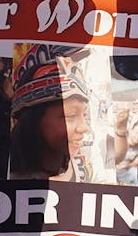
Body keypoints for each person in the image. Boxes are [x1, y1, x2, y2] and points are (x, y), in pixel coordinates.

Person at [9, 47, 94, 181]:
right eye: (71, 116)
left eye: (84, 115)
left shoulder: (83, 169)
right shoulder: (0, 178)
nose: (84, 128)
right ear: (34, 120)